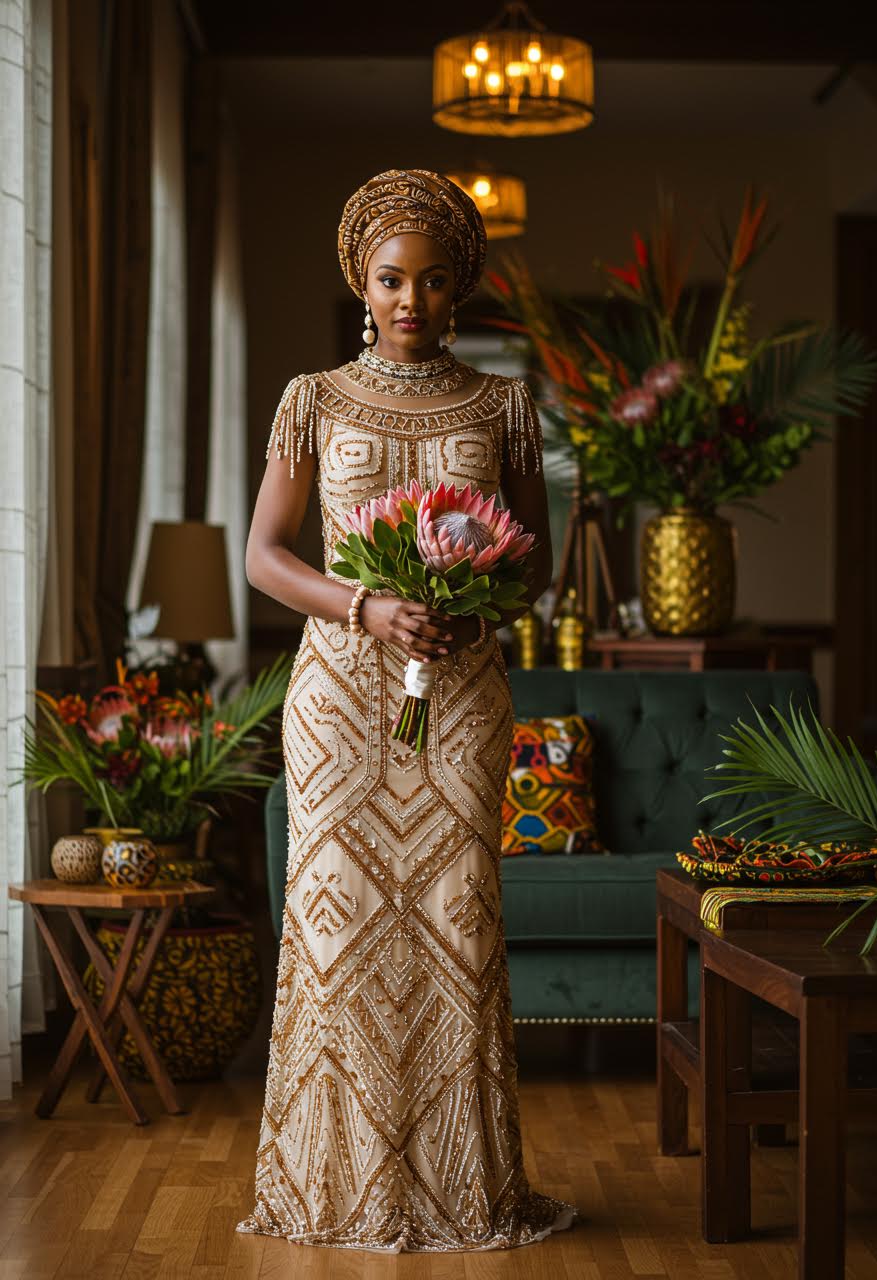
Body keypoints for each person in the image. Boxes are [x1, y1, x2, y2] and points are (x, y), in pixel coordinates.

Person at [236, 168, 579, 1252]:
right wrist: (365, 603)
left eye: (433, 282)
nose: (410, 302)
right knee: (336, 935)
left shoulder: (502, 404)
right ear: (359, 279)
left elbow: (536, 563)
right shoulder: (312, 398)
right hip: (340, 695)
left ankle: (462, 1190)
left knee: (454, 923)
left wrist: (473, 592)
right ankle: (331, 1186)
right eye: (390, 279)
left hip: (463, 691)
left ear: (460, 286)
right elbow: (262, 556)